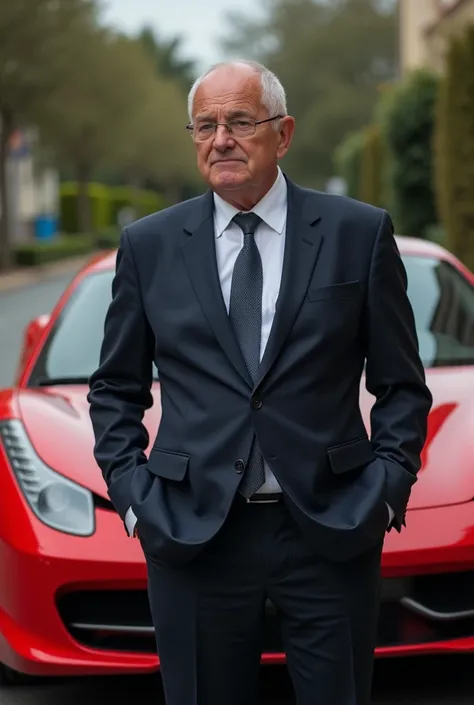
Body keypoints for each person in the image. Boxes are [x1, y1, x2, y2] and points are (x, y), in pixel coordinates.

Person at [88, 60, 432, 705]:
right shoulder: (149, 245)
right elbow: (114, 388)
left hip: (332, 530)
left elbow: (401, 386)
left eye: (241, 121)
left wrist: (384, 492)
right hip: (191, 535)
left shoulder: (358, 233)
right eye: (206, 124)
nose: (221, 139)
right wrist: (135, 501)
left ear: (285, 132)